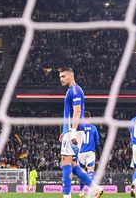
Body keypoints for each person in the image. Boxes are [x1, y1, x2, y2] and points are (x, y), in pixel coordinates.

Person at [58, 67, 102, 198]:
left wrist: (71, 132)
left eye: (64, 76)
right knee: (72, 164)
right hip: (72, 130)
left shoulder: (75, 90)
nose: (61, 79)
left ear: (71, 76)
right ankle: (95, 187)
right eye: (60, 77)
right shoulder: (72, 90)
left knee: (65, 161)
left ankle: (67, 195)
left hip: (75, 131)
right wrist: (65, 131)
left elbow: (77, 111)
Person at [77, 112, 99, 197]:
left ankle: (81, 191)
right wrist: (94, 147)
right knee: (90, 171)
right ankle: (92, 190)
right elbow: (97, 141)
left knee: (82, 173)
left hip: (80, 153)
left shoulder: (79, 127)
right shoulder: (93, 128)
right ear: (90, 118)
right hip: (90, 152)